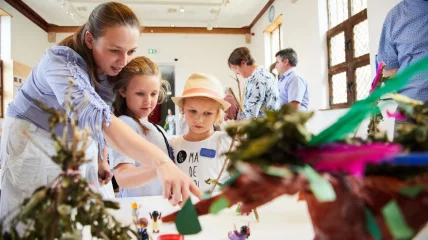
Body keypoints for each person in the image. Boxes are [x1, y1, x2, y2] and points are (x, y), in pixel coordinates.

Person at [0, 2, 200, 222]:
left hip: (76, 139)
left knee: (89, 213)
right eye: (115, 50)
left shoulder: (108, 68)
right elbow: (97, 117)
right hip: (33, 138)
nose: (123, 61)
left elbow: (101, 113)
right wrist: (162, 162)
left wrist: (101, 157)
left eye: (131, 51)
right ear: (89, 40)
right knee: (39, 218)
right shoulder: (59, 63)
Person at [110, 56, 173, 197]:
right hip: (139, 209)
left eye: (153, 94)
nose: (148, 101)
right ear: (123, 91)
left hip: (157, 209)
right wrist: (163, 166)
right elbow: (123, 178)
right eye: (140, 94)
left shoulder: (158, 129)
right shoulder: (125, 124)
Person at [169, 73, 232, 193]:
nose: (199, 120)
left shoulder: (224, 142)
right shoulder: (173, 145)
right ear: (182, 109)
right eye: (193, 111)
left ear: (217, 114)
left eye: (207, 113)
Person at [377, 0, 428, 136]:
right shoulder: (395, 16)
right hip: (410, 114)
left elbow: (389, 72)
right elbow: (389, 69)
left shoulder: (396, 16)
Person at [228, 47, 280, 119]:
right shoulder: (264, 73)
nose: (236, 73)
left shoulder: (257, 79)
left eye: (235, 68)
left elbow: (251, 115)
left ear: (243, 63)